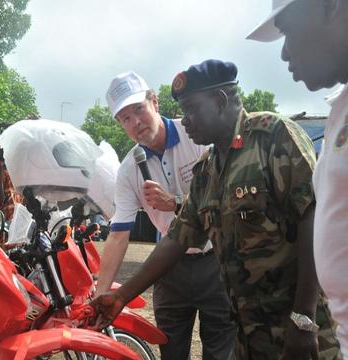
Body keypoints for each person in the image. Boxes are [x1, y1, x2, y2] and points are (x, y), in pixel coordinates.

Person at [91, 60, 342, 359]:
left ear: (220, 101)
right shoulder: (208, 170)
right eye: (124, 118)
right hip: (249, 334)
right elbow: (177, 239)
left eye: (192, 110)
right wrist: (120, 295)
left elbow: (312, 221)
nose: (186, 120)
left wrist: (305, 319)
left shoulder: (273, 137)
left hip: (296, 326)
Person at [96, 71, 237, 359]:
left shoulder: (196, 135)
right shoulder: (128, 171)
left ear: (155, 102)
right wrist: (101, 292)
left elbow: (223, 196)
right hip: (168, 267)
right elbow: (119, 233)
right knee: (171, 350)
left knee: (221, 350)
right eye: (125, 118)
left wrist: (173, 202)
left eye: (138, 109)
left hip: (216, 258)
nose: (135, 122)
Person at [247, 0, 348, 357]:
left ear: (331, 6)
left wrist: (304, 317)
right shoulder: (341, 106)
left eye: (288, 30)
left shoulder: (277, 137)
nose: (285, 53)